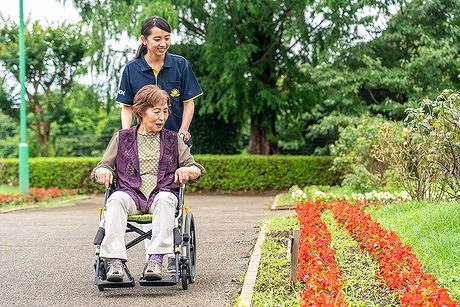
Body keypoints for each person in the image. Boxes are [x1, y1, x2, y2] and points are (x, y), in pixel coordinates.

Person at [92, 85, 205, 281]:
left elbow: (196, 168)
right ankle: (114, 262)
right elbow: (103, 166)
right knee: (116, 199)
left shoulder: (173, 140)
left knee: (165, 199)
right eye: (156, 111)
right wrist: (102, 171)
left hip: (161, 193)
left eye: (165, 111)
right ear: (140, 112)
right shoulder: (122, 137)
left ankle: (156, 259)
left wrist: (187, 170)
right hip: (130, 195)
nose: (162, 117)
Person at [117, 16, 203, 144]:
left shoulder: (181, 65)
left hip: (177, 141)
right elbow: (127, 106)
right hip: (142, 143)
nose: (163, 44)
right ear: (143, 40)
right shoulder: (131, 69)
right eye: (157, 39)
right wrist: (127, 134)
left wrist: (183, 130)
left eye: (167, 38)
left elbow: (188, 102)